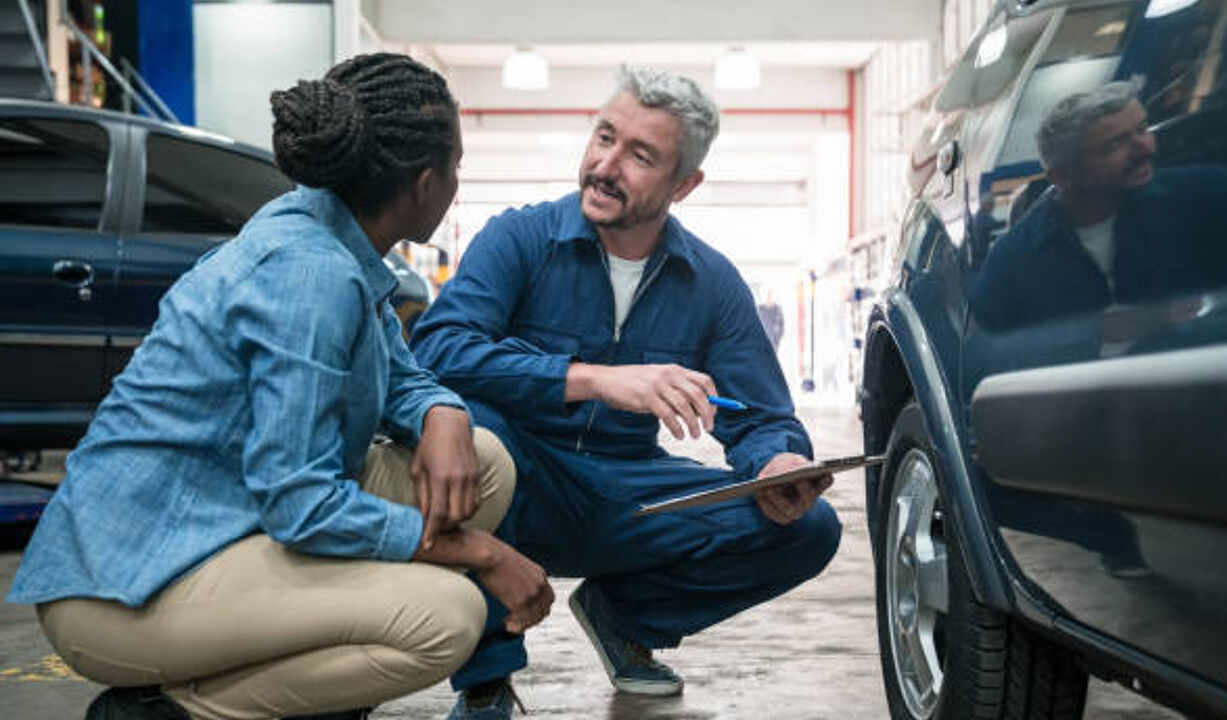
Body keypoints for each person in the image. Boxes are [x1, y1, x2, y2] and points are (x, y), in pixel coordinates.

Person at [5, 53, 554, 720]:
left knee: (483, 468)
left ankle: (314, 680)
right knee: (446, 616)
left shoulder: (328, 230)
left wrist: (443, 411)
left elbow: (395, 368)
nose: (456, 185)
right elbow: (300, 502)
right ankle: (170, 711)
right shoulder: (309, 273)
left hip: (228, 515)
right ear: (424, 183)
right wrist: (483, 552)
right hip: (126, 588)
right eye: (457, 169)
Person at [411, 66, 842, 719]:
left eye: (639, 156)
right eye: (604, 137)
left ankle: (623, 616)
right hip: (522, 482)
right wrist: (592, 380)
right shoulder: (520, 239)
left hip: (627, 497)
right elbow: (438, 350)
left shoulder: (712, 284)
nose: (605, 166)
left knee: (810, 525)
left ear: (684, 184)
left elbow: (760, 420)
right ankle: (487, 680)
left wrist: (778, 462)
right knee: (469, 427)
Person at [971, 79, 1227, 331]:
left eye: (1142, 130)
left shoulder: (1214, 196)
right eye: (1115, 144)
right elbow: (991, 360)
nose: (1144, 147)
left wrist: (1222, 312)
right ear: (1063, 175)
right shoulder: (1015, 263)